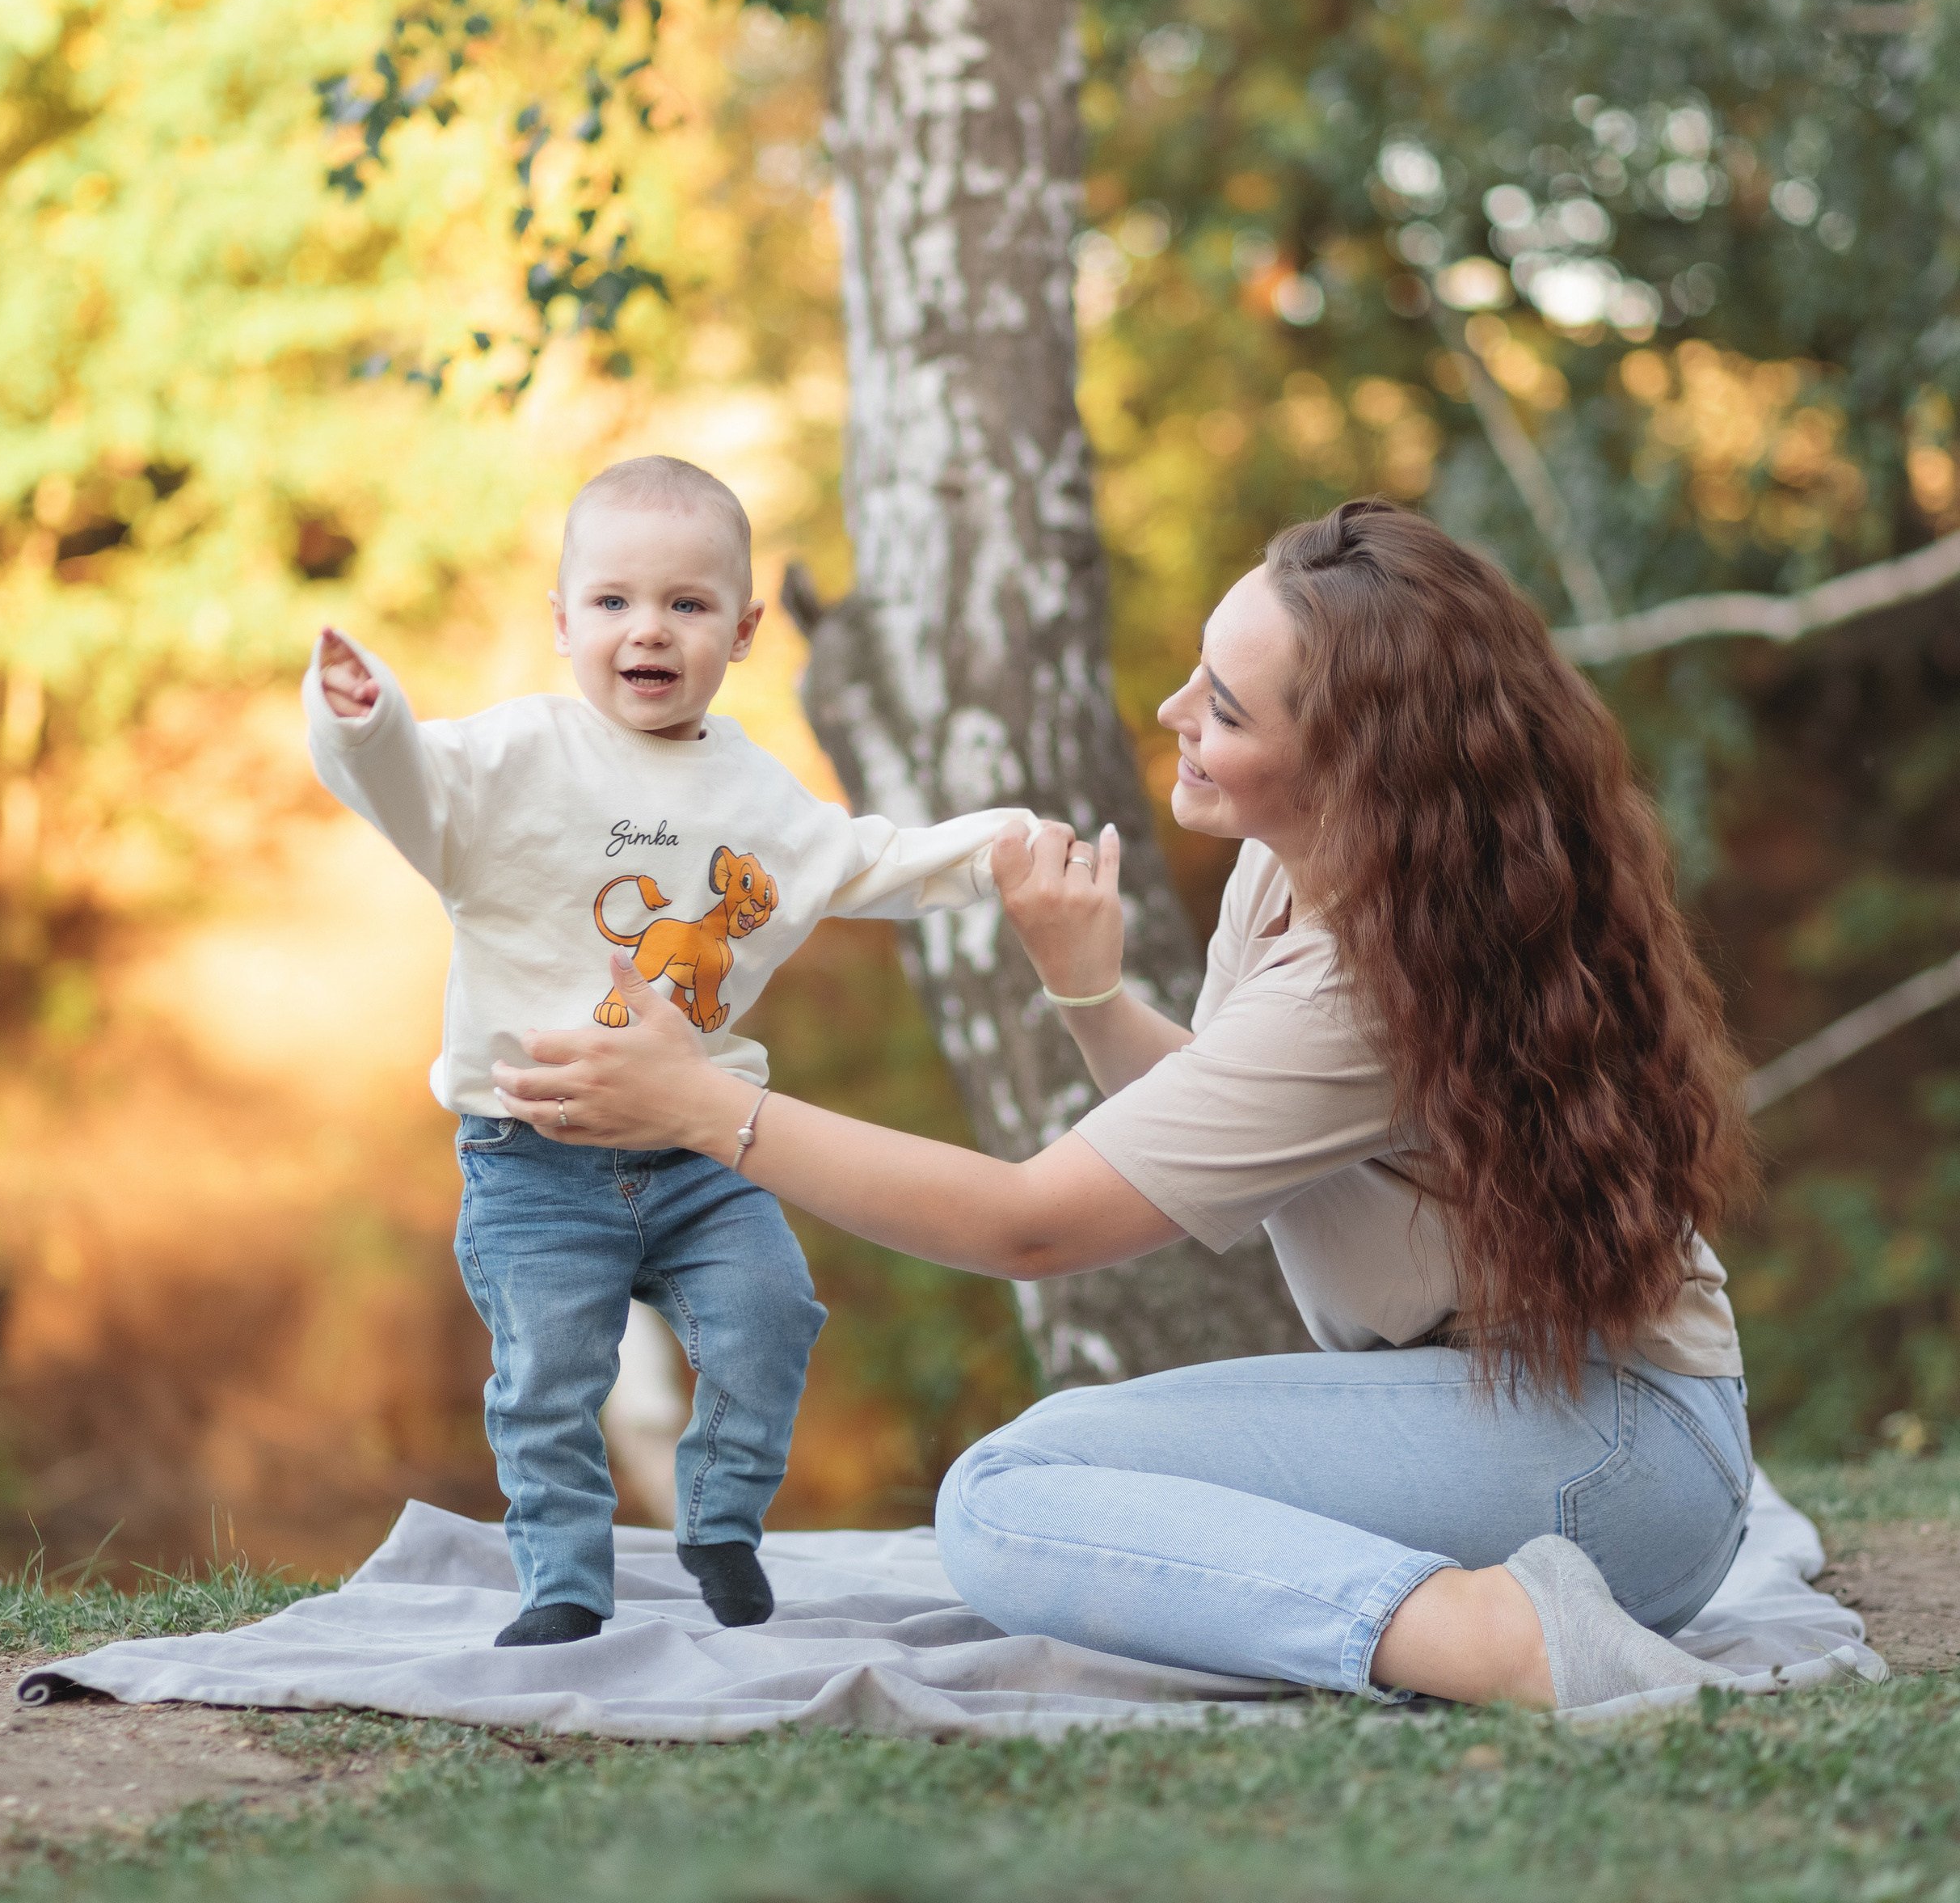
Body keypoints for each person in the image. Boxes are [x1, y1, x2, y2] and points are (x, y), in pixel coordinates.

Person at [489, 498, 1760, 1711]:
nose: (1171, 714)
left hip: (1617, 1466)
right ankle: (1463, 1614)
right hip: (1549, 1427)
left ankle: (1493, 1642)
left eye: (1222, 708)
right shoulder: (1292, 874)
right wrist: (1090, 993)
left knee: (1002, 1499)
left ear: (1355, 768)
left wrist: (707, 1108)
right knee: (1037, 1470)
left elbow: (1031, 1228)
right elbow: (1229, 1127)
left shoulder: (1371, 976)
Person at [305, 454, 1033, 1647]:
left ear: (742, 631)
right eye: (614, 603)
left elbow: (862, 861)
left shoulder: (752, 789)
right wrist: (365, 715)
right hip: (534, 1158)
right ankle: (564, 1584)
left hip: (701, 1155)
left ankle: (718, 1517)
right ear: (561, 621)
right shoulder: (513, 760)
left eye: (687, 605)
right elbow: (406, 787)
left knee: (772, 1313)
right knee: (551, 1378)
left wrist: (999, 849)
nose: (649, 631)